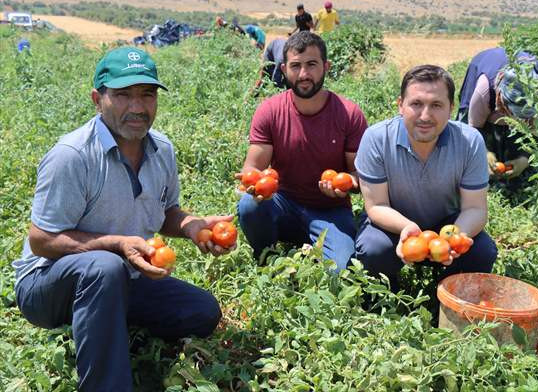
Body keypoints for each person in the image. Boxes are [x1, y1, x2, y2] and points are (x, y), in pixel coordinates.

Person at [11, 46, 235, 391]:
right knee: (103, 267)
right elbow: (41, 240)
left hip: (119, 278)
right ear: (97, 99)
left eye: (147, 95)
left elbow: (165, 212)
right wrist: (115, 246)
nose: (137, 107)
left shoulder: (162, 150)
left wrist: (191, 226)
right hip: (46, 286)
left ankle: (103, 319)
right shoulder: (72, 157)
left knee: (202, 311)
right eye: (123, 95)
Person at [355, 65, 497, 293]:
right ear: (400, 105)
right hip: (393, 222)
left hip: (447, 221)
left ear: (451, 108)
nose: (425, 116)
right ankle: (383, 296)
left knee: (482, 251)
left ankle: (449, 298)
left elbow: (475, 208)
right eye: (416, 104)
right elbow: (377, 205)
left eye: (437, 105)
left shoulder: (470, 141)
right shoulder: (376, 138)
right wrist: (408, 228)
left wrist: (452, 239)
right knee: (374, 248)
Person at [237, 31, 368, 272]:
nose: (304, 74)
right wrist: (252, 182)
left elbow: (360, 177)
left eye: (312, 65)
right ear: (284, 69)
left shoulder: (349, 114)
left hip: (331, 212)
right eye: (296, 66)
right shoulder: (270, 111)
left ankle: (312, 246)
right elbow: (253, 166)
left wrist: (347, 183)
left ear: (326, 67)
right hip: (282, 203)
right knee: (249, 205)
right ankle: (266, 259)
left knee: (341, 270)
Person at [457, 47, 538, 179]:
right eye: (513, 112)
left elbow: (537, 130)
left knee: (518, 139)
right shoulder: (483, 90)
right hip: (484, 67)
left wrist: (525, 159)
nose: (515, 119)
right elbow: (472, 129)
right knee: (468, 133)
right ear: (501, 98)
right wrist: (483, 151)